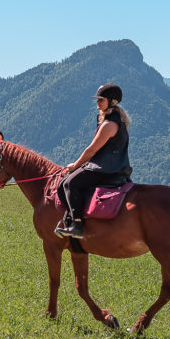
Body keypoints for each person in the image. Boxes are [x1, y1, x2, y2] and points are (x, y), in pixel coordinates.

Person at [55, 83, 132, 239]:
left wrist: (75, 166)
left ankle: (77, 225)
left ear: (112, 102)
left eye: (101, 100)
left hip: (106, 168)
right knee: (64, 183)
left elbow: (91, 150)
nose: (97, 104)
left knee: (70, 183)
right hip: (109, 165)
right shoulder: (113, 120)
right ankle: (71, 218)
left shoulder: (110, 124)